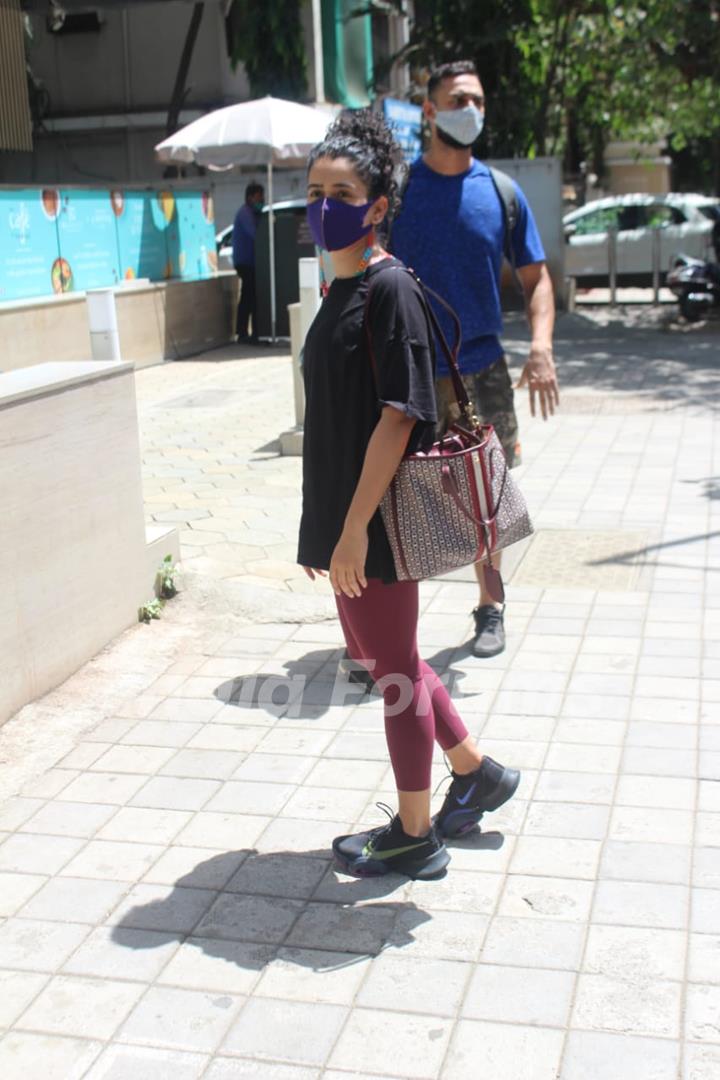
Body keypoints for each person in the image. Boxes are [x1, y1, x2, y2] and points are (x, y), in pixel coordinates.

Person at [298, 109, 520, 881]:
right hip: (349, 521)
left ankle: (415, 835)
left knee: (393, 674)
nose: (325, 204)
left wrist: (354, 528)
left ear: (378, 204)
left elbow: (400, 416)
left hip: (381, 521)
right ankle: (476, 772)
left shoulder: (387, 288)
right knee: (386, 657)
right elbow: (335, 422)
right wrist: (322, 529)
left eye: (343, 191)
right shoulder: (342, 286)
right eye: (316, 189)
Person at [391, 59, 559, 659]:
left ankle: (490, 606)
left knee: (486, 493)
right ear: (430, 110)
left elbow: (537, 280)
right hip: (407, 370)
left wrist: (540, 347)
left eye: (480, 102)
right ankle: (391, 635)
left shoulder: (500, 193)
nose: (472, 111)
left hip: (481, 370)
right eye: (460, 99)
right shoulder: (400, 192)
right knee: (399, 493)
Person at [232, 181, 264, 343]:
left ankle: (249, 331)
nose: (262, 200)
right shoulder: (245, 213)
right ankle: (243, 332)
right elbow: (255, 234)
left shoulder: (252, 213)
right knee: (248, 296)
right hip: (245, 262)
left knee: (250, 296)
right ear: (251, 197)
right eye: (259, 197)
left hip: (251, 262)